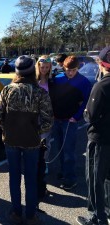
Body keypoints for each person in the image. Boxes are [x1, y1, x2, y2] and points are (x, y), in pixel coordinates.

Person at [0, 55, 53, 225]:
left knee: (14, 177)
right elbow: (49, 120)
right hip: (32, 142)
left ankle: (16, 213)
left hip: (11, 141)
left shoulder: (7, 90)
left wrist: (9, 129)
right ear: (32, 71)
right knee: (31, 178)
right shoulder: (40, 92)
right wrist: (36, 132)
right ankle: (30, 215)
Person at [76, 47, 110, 225]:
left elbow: (91, 115)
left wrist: (86, 112)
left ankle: (97, 217)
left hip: (100, 139)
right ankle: (107, 211)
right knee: (107, 178)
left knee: (95, 179)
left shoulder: (101, 86)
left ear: (101, 64)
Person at [49, 55, 92, 190]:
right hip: (57, 119)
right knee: (60, 148)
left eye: (73, 70)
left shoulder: (83, 82)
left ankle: (70, 178)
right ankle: (63, 172)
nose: (70, 73)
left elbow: (87, 101)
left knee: (69, 151)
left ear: (77, 68)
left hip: (70, 121)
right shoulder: (57, 79)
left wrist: (77, 116)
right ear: (64, 67)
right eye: (68, 70)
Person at [35, 55, 54, 201]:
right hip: (35, 119)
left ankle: (44, 172)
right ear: (38, 67)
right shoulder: (33, 82)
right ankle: (36, 173)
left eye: (47, 68)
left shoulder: (52, 82)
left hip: (47, 119)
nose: (44, 70)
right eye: (42, 67)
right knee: (35, 146)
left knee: (46, 146)